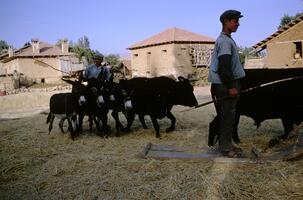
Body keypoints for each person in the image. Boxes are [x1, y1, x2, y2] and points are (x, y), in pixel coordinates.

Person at [208, 10, 246, 157]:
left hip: (225, 84)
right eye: (235, 21)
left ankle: (227, 144)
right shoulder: (224, 41)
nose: (238, 24)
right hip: (225, 85)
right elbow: (224, 68)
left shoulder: (226, 39)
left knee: (229, 117)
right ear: (226, 21)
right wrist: (231, 86)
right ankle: (225, 148)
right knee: (227, 117)